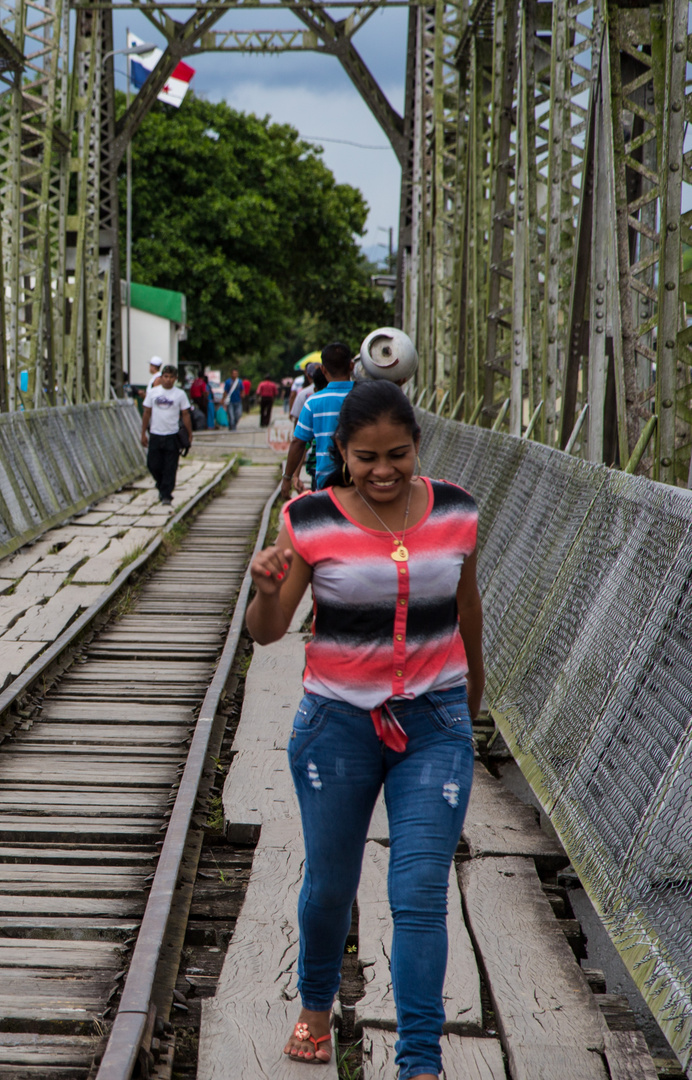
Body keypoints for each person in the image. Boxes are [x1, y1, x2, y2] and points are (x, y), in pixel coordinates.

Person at [245, 380, 483, 1080]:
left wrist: (473, 696)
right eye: (366, 457)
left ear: (417, 447)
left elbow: (468, 610)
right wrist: (264, 592)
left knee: (418, 892)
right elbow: (268, 633)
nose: (383, 471)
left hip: (435, 724)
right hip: (336, 726)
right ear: (341, 453)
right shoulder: (308, 519)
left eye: (399, 455)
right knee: (329, 884)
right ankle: (315, 1008)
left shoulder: (458, 512)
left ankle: (419, 1062)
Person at [281, 343, 356, 499]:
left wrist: (288, 478)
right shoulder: (366, 395)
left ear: (323, 369)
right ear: (351, 366)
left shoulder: (313, 402)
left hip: (325, 480)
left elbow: (298, 443)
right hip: (360, 477)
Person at [139, 364, 194, 505]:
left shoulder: (180, 394)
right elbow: (147, 412)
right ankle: (161, 483)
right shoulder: (153, 393)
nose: (168, 380)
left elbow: (185, 414)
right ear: (162, 377)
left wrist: (189, 433)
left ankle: (166, 495)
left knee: (170, 466)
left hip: (172, 434)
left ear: (176, 379)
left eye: (171, 377)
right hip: (156, 434)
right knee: (153, 464)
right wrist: (143, 433)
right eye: (166, 376)